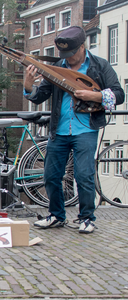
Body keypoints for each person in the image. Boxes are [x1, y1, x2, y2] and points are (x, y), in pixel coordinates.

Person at [24, 26, 124, 234]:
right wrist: (27, 85)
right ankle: (56, 215)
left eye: (71, 54)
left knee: (84, 175)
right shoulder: (58, 68)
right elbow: (39, 96)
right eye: (64, 55)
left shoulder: (99, 66)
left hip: (85, 128)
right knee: (51, 175)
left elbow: (119, 94)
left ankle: (86, 218)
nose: (67, 59)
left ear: (82, 47)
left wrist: (94, 96)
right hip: (59, 130)